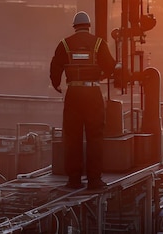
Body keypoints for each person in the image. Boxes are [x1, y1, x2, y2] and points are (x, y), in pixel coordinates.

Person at [50, 10, 116, 190]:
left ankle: (74, 180)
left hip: (73, 94)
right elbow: (111, 66)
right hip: (92, 93)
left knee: (73, 137)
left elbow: (55, 66)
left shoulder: (65, 44)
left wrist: (56, 84)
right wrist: (101, 76)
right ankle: (94, 180)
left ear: (75, 27)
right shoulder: (98, 44)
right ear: (88, 26)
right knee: (95, 137)